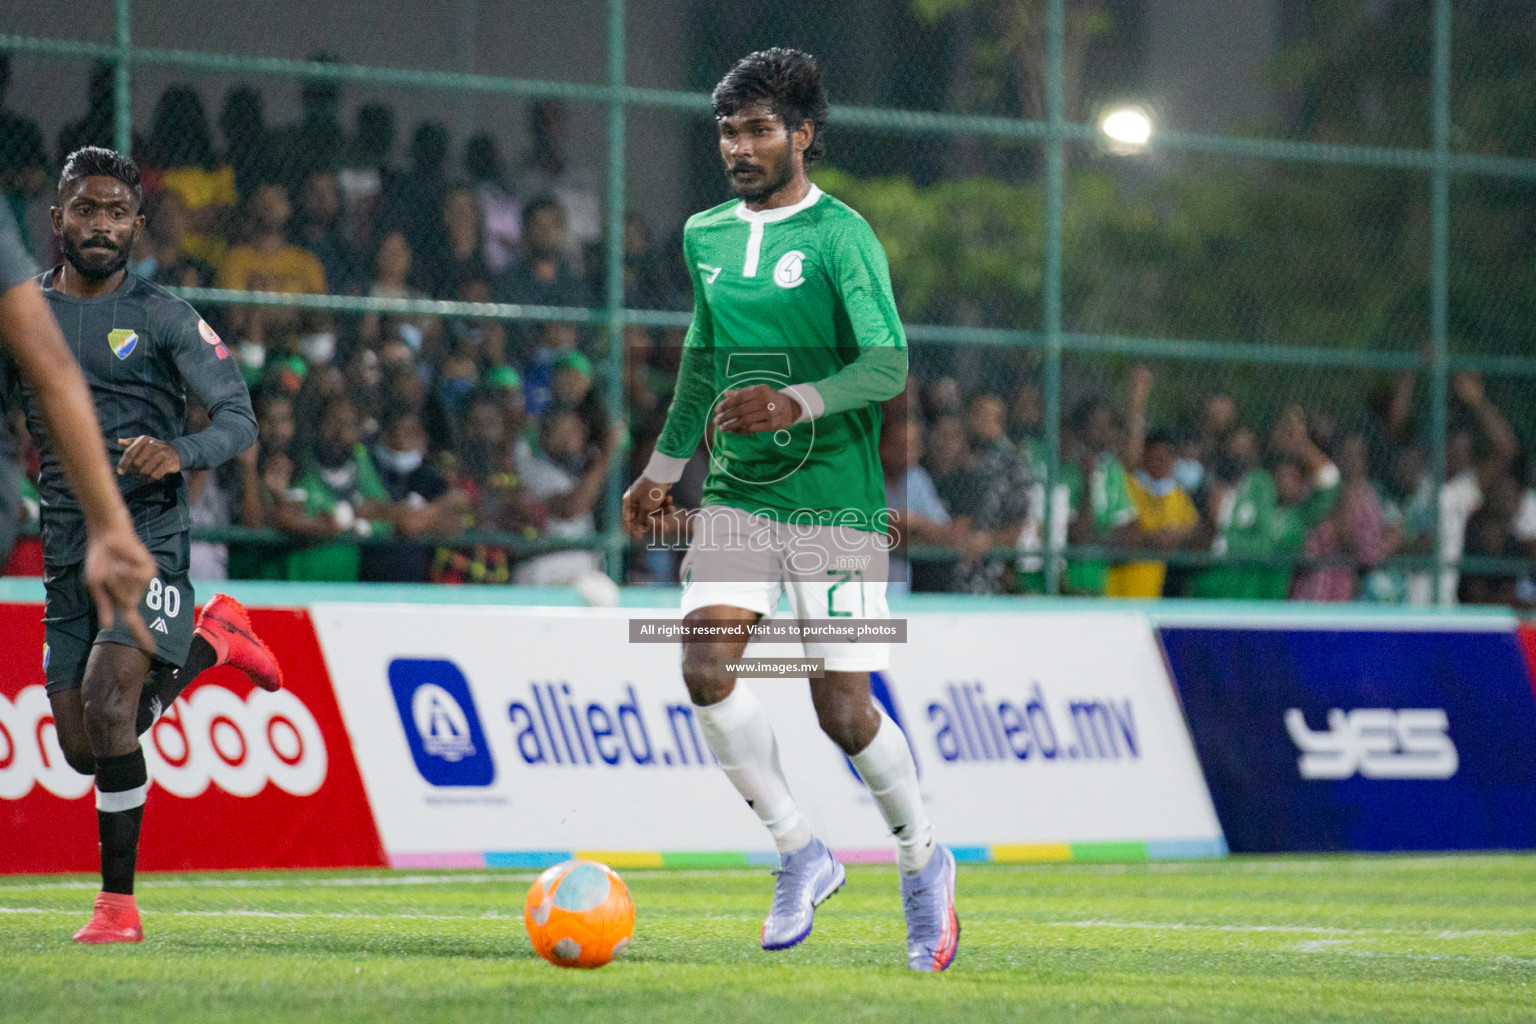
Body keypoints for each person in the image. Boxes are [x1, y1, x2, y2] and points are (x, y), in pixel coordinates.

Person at [619, 50, 957, 971]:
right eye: (729, 130)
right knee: (704, 664)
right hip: (738, 497)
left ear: (804, 134)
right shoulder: (705, 236)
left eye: (760, 128)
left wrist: (797, 400)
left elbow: (887, 365)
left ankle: (923, 858)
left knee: (843, 715)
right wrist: (662, 466)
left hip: (838, 510)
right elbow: (700, 356)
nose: (740, 146)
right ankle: (799, 849)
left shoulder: (845, 236)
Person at [13, 148, 280, 945]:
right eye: (85, 210)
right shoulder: (22, 314)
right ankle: (212, 643)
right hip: (65, 538)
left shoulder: (165, 314)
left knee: (107, 702)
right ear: (57, 219)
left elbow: (239, 417)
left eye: (116, 213)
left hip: (147, 536)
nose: (101, 225)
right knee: (83, 749)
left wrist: (181, 451)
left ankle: (117, 908)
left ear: (136, 224)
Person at [1106, 366, 1199, 598]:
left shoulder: (1179, 496)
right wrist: (1137, 399)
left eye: (1167, 457)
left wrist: (1177, 535)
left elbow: (1192, 529)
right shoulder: (1131, 485)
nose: (1162, 462)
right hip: (1116, 596)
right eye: (1156, 456)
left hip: (1153, 599)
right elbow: (1131, 445)